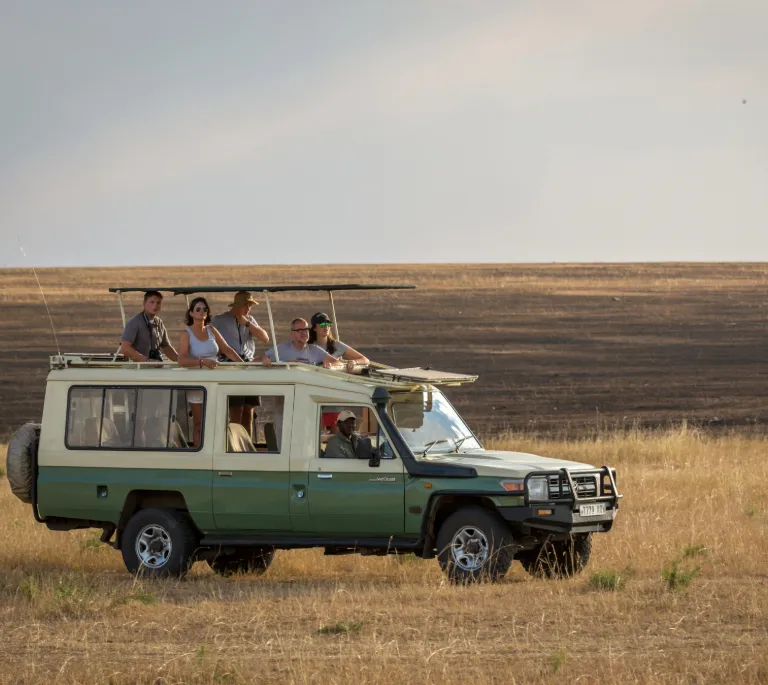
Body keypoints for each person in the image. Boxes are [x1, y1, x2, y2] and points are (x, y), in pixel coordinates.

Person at [178, 297, 243, 446]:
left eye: (205, 309)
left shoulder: (211, 329)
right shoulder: (186, 334)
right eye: (198, 309)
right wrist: (202, 362)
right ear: (191, 313)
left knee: (218, 421)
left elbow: (227, 350)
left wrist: (244, 365)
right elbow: (181, 360)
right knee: (199, 424)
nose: (202, 312)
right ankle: (198, 457)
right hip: (198, 384)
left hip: (216, 382)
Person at [211, 291, 270, 437]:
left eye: (250, 306)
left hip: (249, 367)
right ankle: (234, 446)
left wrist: (248, 324)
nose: (248, 309)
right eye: (246, 305)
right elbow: (209, 337)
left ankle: (247, 446)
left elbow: (265, 338)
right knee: (236, 409)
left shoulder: (250, 320)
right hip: (231, 368)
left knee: (249, 410)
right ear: (237, 305)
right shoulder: (220, 319)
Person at [120, 291, 178, 363]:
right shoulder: (135, 322)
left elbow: (166, 347)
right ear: (144, 303)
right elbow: (125, 348)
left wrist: (180, 360)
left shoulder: (159, 322)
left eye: (158, 303)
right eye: (152, 302)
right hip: (137, 367)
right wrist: (147, 361)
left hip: (155, 365)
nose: (155, 306)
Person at [260, 318, 341, 368]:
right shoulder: (282, 348)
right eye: (300, 330)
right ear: (293, 333)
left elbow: (337, 363)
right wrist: (266, 360)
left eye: (306, 330)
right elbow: (264, 357)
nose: (304, 333)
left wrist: (330, 366)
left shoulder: (315, 350)